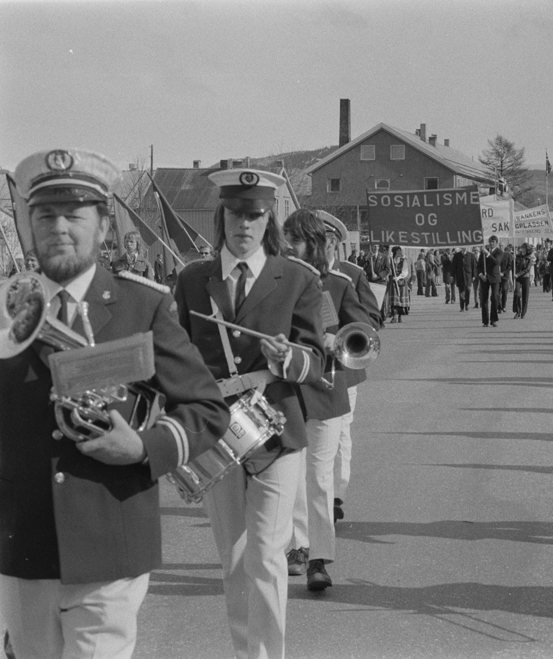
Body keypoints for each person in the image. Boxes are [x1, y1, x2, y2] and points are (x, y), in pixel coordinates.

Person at [2, 148, 229, 659]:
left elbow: (207, 409)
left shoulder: (143, 306)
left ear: (103, 226)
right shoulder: (3, 313)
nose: (59, 227)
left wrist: (143, 447)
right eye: (44, 215)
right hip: (23, 541)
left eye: (74, 214)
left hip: (111, 538)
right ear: (29, 226)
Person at [174, 167, 325, 659]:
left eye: (255, 215)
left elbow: (316, 360)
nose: (244, 225)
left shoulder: (297, 278)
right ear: (223, 216)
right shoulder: (194, 280)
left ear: (268, 219)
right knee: (234, 559)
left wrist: (290, 359)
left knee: (266, 555)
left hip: (277, 431)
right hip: (217, 430)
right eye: (236, 214)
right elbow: (178, 358)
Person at [282, 210, 370, 591]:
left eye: (296, 239)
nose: (288, 246)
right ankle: (297, 547)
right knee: (293, 478)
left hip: (326, 389)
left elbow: (363, 326)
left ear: (314, 244)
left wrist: (342, 337)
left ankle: (319, 557)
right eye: (286, 238)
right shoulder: (275, 283)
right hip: (286, 393)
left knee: (318, 476)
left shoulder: (336, 283)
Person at [478, 235, 503, 327]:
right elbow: (478, 266)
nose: (492, 244)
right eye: (490, 242)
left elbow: (496, 262)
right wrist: (481, 275)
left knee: (495, 298)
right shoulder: (483, 252)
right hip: (485, 278)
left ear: (496, 243)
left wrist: (488, 254)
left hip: (495, 278)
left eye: (493, 242)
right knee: (484, 299)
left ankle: (493, 319)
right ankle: (485, 321)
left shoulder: (499, 252)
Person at [385, 246, 410, 323]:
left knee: (401, 299)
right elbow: (388, 269)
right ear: (395, 252)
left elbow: (405, 272)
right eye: (398, 251)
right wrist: (389, 276)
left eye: (400, 251)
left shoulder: (403, 260)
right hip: (393, 282)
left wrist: (398, 278)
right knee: (394, 300)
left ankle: (399, 316)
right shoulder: (391, 260)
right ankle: (394, 316)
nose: (400, 253)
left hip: (401, 282)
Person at [452, 245, 475, 312]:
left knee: (468, 289)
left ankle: (467, 304)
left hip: (468, 276)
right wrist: (452, 275)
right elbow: (454, 266)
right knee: (461, 291)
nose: (464, 248)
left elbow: (473, 266)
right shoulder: (457, 255)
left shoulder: (471, 255)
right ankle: (462, 306)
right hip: (460, 276)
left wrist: (474, 275)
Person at [512, 243, 532, 319]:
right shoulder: (517, 256)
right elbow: (513, 266)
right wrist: (513, 260)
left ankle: (523, 312)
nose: (522, 249)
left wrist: (518, 274)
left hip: (525, 277)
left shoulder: (529, 258)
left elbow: (527, 269)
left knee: (525, 295)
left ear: (527, 249)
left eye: (524, 248)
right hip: (517, 277)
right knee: (517, 293)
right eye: (522, 247)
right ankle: (517, 311)